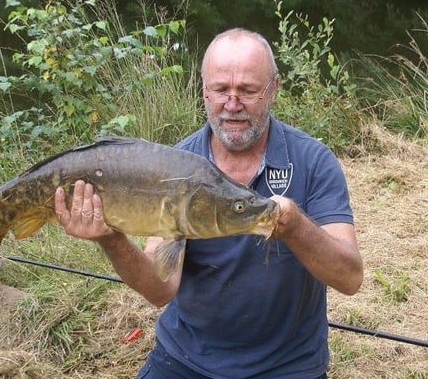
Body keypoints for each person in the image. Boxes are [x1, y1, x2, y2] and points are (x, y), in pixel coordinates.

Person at [54, 28, 363, 378]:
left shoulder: (313, 160)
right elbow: (160, 289)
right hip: (186, 360)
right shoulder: (176, 165)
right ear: (204, 90)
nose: (232, 104)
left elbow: (350, 278)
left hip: (287, 367)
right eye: (220, 90)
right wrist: (110, 239)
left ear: (273, 89)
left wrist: (296, 228)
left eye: (247, 90)